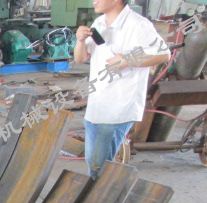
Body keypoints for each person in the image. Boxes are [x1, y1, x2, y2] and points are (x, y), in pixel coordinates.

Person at [73, 0, 170, 180]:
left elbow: (164, 54)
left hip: (120, 105)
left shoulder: (137, 25)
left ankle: (103, 194)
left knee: (99, 164)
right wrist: (80, 41)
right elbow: (80, 58)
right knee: (93, 161)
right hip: (97, 104)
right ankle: (100, 192)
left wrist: (126, 61)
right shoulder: (99, 23)